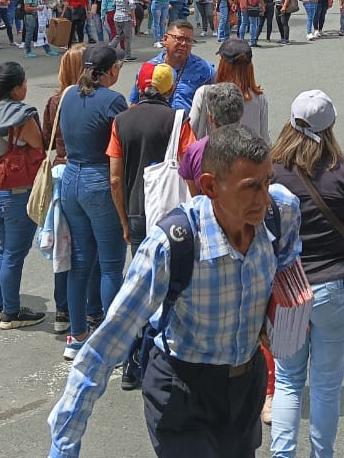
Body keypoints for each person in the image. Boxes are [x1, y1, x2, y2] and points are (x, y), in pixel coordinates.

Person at [48, 123, 303, 458]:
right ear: (210, 186)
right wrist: (65, 442)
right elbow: (107, 342)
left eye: (268, 181)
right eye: (251, 187)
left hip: (243, 388)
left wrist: (284, 317)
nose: (264, 197)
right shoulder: (172, 245)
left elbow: (286, 266)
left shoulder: (280, 213)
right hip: (183, 392)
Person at [269, 90, 344, 458]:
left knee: (288, 380)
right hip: (336, 283)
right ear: (331, 127)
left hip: (287, 288)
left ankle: (282, 455)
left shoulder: (271, 170)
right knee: (326, 386)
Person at [108, 62, 197, 390]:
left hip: (136, 213)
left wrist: (123, 219)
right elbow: (192, 166)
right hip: (172, 216)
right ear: (170, 89)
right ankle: (167, 357)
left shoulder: (121, 121)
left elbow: (115, 177)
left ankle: (131, 362)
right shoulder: (179, 121)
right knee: (174, 286)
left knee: (141, 285)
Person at [55, 44, 130, 360]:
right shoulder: (113, 100)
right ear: (111, 69)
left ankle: (77, 335)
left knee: (80, 261)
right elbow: (123, 143)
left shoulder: (69, 94)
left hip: (71, 177)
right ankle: (111, 342)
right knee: (111, 264)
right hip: (98, 179)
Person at [0, 61, 49, 331]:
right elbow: (39, 146)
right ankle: (11, 312)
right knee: (13, 254)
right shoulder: (21, 115)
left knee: (5, 249)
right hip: (15, 193)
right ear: (17, 88)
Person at [188, 38, 269, 144]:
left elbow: (190, 130)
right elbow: (264, 138)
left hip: (213, 157)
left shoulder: (205, 93)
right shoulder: (260, 98)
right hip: (248, 158)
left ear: (223, 64)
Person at [130, 20, 215, 112]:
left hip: (188, 125)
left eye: (188, 40)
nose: (183, 44)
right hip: (157, 124)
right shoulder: (149, 68)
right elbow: (135, 104)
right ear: (165, 39)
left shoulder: (205, 69)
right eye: (179, 38)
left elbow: (215, 106)